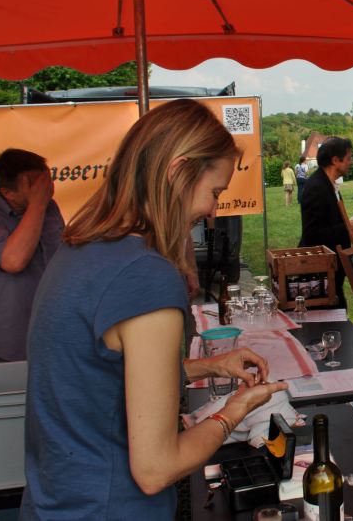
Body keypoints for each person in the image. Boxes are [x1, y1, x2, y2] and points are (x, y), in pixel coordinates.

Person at [20, 99, 287, 520]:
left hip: (56, 502)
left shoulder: (80, 248)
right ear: (178, 172)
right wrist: (233, 412)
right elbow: (155, 468)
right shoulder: (144, 275)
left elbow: (100, 379)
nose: (213, 212)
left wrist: (209, 367)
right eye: (214, 192)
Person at [0, 148, 64, 363]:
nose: (47, 189)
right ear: (8, 193)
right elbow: (13, 261)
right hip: (9, 341)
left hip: (50, 331)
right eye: (36, 185)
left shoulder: (48, 207)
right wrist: (37, 205)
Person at [299, 137, 353, 309]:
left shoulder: (328, 184)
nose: (351, 162)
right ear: (335, 160)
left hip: (331, 270)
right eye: (349, 157)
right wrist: (348, 226)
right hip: (320, 272)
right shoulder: (317, 187)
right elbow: (313, 234)